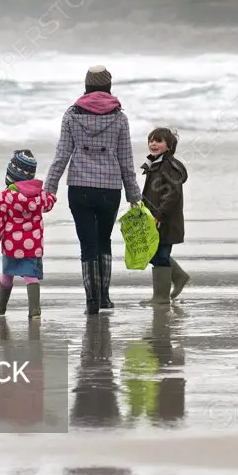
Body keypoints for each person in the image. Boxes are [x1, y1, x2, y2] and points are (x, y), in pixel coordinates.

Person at [45, 65, 142, 315]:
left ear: (86, 86)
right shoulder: (120, 118)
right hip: (110, 188)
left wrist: (50, 187)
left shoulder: (71, 115)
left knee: (87, 243)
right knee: (104, 240)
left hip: (79, 187)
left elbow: (61, 155)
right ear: (109, 87)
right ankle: (105, 296)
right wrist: (134, 196)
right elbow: (126, 160)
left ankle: (91, 299)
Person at [0, 149, 56, 319]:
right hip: (33, 245)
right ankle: (34, 309)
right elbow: (50, 203)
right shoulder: (40, 197)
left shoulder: (5, 197)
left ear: (10, 176)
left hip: (11, 245)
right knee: (31, 276)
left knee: (7, 273)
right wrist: (51, 192)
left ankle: (1, 305)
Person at [139, 127, 190, 304]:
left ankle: (161, 297)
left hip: (165, 220)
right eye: (151, 140)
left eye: (158, 140)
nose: (153, 143)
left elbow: (172, 194)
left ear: (169, 146)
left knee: (160, 255)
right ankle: (179, 276)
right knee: (153, 253)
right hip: (154, 218)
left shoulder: (168, 166)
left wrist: (159, 215)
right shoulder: (155, 164)